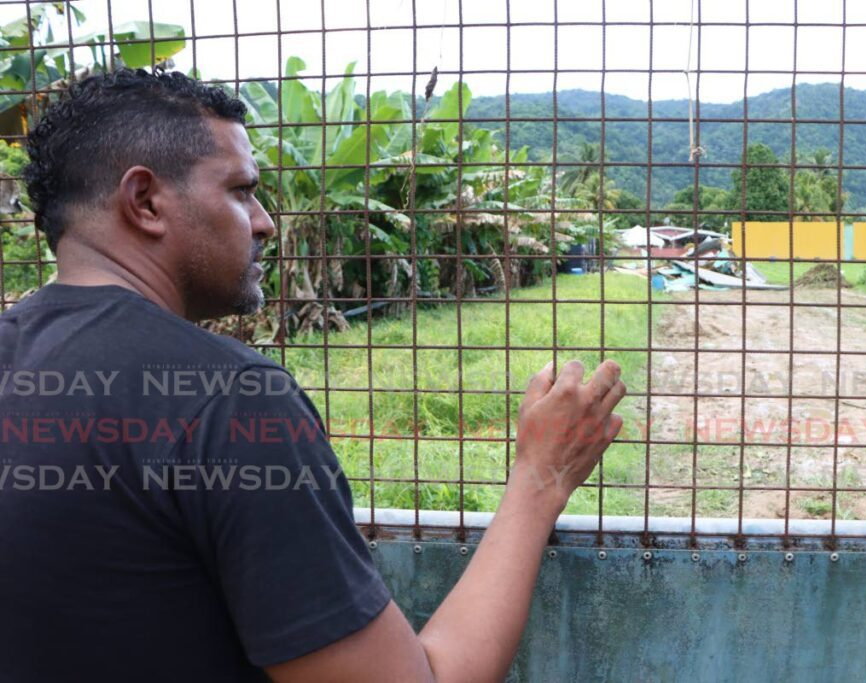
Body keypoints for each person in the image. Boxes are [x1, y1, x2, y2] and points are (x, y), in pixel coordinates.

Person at [0, 68, 627, 682]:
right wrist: (540, 480)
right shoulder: (230, 399)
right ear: (145, 202)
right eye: (241, 190)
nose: (266, 221)